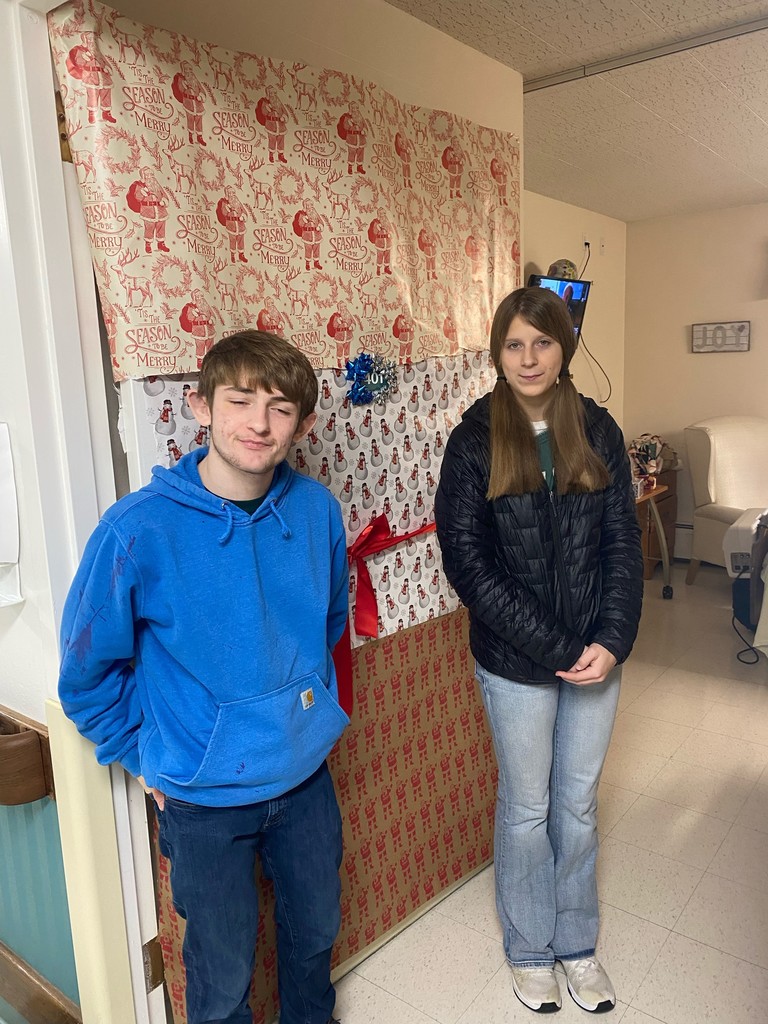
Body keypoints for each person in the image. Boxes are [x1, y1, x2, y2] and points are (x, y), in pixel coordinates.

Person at [58, 330, 349, 1024]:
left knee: (314, 942)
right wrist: (142, 754)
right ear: (200, 406)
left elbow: (330, 624)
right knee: (222, 977)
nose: (259, 423)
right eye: (240, 400)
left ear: (303, 423)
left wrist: (313, 714)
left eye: (280, 408)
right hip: (202, 797)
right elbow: (85, 676)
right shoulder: (136, 530)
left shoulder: (316, 512)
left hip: (306, 778)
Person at [435, 287, 642, 1015]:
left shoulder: (598, 429)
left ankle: (576, 945)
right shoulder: (473, 439)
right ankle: (529, 949)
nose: (528, 358)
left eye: (542, 342)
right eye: (514, 344)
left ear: (564, 348)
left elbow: (623, 541)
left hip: (596, 659)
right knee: (527, 807)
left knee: (576, 806)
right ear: (498, 353)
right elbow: (467, 563)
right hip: (516, 662)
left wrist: (612, 639)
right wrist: (558, 646)